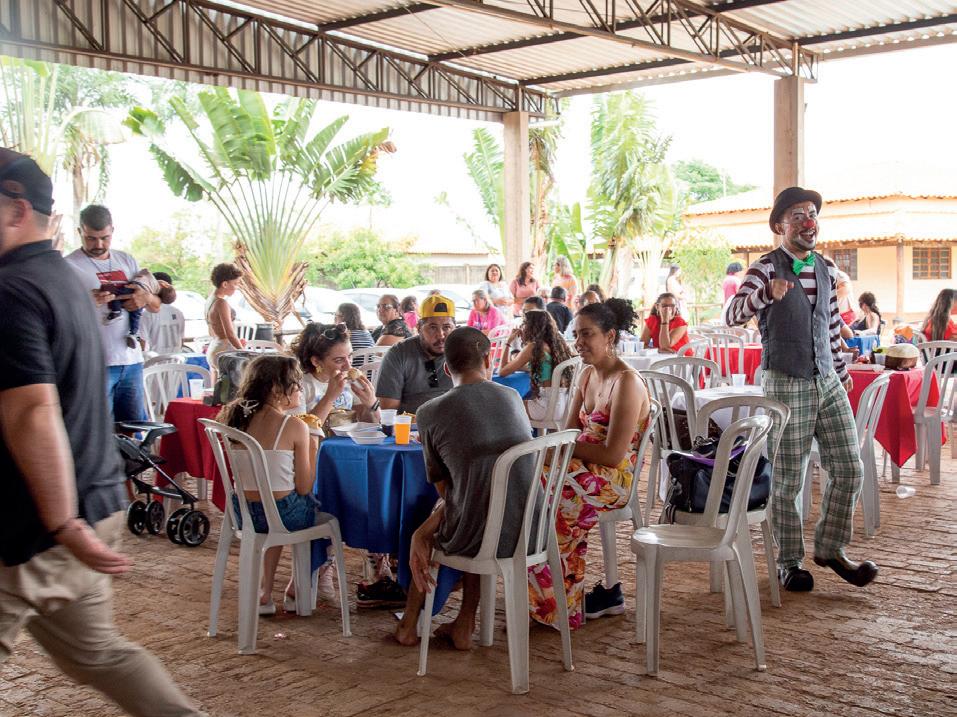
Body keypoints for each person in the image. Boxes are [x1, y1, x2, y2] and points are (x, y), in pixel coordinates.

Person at [0, 149, 204, 716]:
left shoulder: (13, 290)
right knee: (101, 656)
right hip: (95, 502)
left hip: (38, 529)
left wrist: (63, 522)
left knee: (103, 656)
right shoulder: (62, 280)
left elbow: (32, 412)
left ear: (16, 209)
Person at [725, 185, 877, 592]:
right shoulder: (764, 268)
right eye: (798, 216)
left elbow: (830, 327)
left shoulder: (826, 267)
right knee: (789, 479)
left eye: (812, 215)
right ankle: (789, 561)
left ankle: (830, 548)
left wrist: (839, 370)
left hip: (827, 380)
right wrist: (765, 293)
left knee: (850, 467)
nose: (809, 222)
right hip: (785, 381)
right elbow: (731, 315)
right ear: (780, 226)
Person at [394, 327, 536, 650]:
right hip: (531, 526)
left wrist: (424, 530)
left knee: (448, 515)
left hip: (480, 532)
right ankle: (464, 621)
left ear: (446, 369)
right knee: (476, 502)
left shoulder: (429, 413)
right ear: (487, 360)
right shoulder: (512, 397)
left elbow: (446, 491)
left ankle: (409, 624)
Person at [528, 299, 651, 628]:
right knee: (529, 485)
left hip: (614, 480)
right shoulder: (586, 375)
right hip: (580, 470)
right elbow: (569, 432)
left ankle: (560, 601)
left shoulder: (627, 382)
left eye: (587, 334)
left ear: (609, 336)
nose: (578, 343)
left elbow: (612, 455)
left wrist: (558, 452)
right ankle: (554, 597)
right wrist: (554, 451)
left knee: (550, 494)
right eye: (576, 335)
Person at [216, 355, 327, 615]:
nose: (300, 389)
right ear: (278, 389)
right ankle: (298, 588)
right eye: (296, 384)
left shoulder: (235, 419)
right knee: (321, 505)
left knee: (273, 500)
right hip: (283, 515)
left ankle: (265, 592)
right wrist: (313, 446)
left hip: (244, 514)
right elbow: (304, 487)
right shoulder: (295, 426)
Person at [65, 204, 161, 422]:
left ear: (112, 231)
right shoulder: (68, 265)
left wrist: (145, 298)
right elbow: (56, 316)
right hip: (94, 363)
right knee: (98, 429)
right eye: (91, 238)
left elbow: (156, 306)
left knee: (135, 429)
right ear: (79, 232)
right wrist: (85, 302)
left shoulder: (127, 260)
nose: (99, 245)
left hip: (132, 360)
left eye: (104, 238)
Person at [376, 295, 456, 415]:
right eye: (433, 327)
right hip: (412, 425)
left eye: (447, 327)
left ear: (454, 328)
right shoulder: (398, 355)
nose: (440, 335)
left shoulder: (463, 352)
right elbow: (388, 410)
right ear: (419, 328)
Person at [498, 309, 572, 421]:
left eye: (523, 324)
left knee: (503, 406)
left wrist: (508, 343)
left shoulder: (533, 347)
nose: (521, 327)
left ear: (531, 327)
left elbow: (502, 371)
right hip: (564, 405)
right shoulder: (557, 344)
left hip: (547, 407)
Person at [205, 262, 244, 377]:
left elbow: (212, 330)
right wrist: (244, 352)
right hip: (223, 351)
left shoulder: (210, 299)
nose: (237, 287)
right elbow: (230, 334)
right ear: (225, 284)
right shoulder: (221, 303)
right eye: (235, 283)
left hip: (215, 347)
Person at [141, 271, 186, 355]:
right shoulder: (178, 312)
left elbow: (142, 343)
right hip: (176, 360)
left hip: (154, 361)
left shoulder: (147, 313)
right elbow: (181, 340)